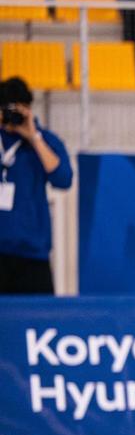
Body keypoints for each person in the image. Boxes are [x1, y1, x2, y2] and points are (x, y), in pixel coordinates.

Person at [0, 77, 73, 294]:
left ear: (28, 109)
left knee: (38, 319)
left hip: (32, 255)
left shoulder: (45, 140)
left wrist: (34, 137)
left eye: (18, 110)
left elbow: (63, 179)